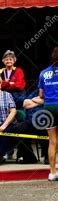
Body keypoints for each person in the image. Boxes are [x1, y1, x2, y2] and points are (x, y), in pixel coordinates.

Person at [0, 73, 36, 166]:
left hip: (7, 125)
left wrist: (4, 126)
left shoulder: (7, 95)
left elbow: (13, 111)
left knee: (13, 130)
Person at [38, 47, 58, 182]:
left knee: (52, 142)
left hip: (48, 107)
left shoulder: (43, 73)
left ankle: (52, 172)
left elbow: (41, 94)